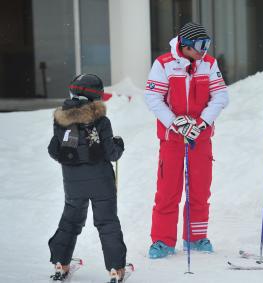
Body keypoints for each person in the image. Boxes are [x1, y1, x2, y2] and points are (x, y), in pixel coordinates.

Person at [144, 22, 229, 259]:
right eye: (200, 45)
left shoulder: (209, 64)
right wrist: (175, 122)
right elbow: (152, 97)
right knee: (168, 190)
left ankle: (196, 237)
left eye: (207, 44)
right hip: (172, 138)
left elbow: (220, 95)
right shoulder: (164, 64)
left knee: (200, 189)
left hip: (200, 139)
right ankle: (162, 241)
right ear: (185, 45)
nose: (205, 50)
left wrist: (202, 122)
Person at [47, 74, 127, 281]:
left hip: (73, 185)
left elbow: (54, 151)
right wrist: (118, 144)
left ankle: (61, 263)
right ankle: (115, 269)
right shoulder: (101, 121)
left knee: (70, 222)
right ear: (96, 97)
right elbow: (112, 154)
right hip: (101, 182)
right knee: (107, 223)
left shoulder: (61, 120)